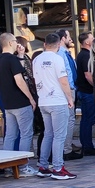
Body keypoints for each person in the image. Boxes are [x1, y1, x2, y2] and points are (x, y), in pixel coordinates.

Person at [32, 33, 77, 180]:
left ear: (45, 44)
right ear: (58, 45)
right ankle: (58, 168)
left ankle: (43, 166)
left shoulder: (36, 59)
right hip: (57, 101)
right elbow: (63, 80)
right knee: (59, 136)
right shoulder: (57, 59)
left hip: (44, 101)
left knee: (48, 134)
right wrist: (69, 98)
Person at [0, 32, 39, 174]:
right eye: (14, 41)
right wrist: (30, 98)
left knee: (10, 135)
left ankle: (8, 167)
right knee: (26, 134)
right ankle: (23, 167)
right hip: (20, 102)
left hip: (8, 102)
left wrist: (20, 55)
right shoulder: (11, 59)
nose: (16, 43)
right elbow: (19, 80)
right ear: (9, 43)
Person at [56, 28, 81, 159]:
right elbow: (63, 74)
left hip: (71, 88)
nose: (71, 39)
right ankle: (66, 150)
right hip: (66, 90)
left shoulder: (66, 53)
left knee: (69, 119)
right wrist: (69, 91)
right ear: (62, 39)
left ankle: (67, 145)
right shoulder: (60, 54)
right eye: (68, 36)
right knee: (69, 119)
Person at [75, 31, 95, 156]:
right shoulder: (85, 56)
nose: (94, 39)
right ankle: (87, 146)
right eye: (92, 38)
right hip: (87, 92)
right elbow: (88, 75)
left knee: (87, 119)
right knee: (88, 119)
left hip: (85, 91)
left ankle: (86, 145)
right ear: (87, 42)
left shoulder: (83, 55)